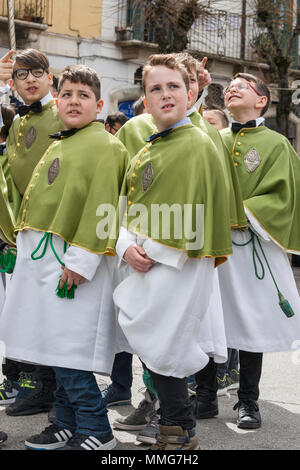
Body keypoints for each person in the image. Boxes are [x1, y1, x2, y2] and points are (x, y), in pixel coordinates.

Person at [113, 52, 246, 442]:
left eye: (174, 86)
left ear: (190, 94)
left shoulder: (198, 144)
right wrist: (124, 246)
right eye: (156, 88)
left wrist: (152, 252)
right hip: (142, 265)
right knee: (154, 351)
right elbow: (124, 207)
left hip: (177, 267)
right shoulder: (150, 146)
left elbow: (200, 213)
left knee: (168, 349)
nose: (166, 95)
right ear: (145, 99)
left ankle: (180, 432)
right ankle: (173, 430)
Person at [0, 64, 129, 450]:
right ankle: (65, 422)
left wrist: (82, 260)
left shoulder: (106, 145)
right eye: (68, 95)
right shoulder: (60, 141)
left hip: (73, 264)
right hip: (44, 260)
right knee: (53, 348)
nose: (74, 101)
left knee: (69, 350)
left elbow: (103, 206)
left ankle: (96, 428)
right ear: (58, 101)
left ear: (99, 104)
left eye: (83, 96)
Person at [196, 72, 300, 430]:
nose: (232, 88)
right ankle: (206, 396)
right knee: (209, 317)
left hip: (255, 242)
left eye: (243, 85)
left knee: (252, 321)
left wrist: (244, 212)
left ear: (262, 101)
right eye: (229, 86)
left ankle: (248, 401)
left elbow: (285, 194)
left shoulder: (277, 143)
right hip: (213, 242)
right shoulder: (211, 137)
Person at [0, 48, 61, 417]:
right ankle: (39, 385)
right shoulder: (18, 123)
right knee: (31, 311)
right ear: (13, 83)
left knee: (53, 312)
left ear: (50, 77)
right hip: (23, 231)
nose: (31, 79)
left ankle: (57, 392)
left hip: (54, 229)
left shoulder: (64, 114)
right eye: (22, 74)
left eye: (38, 71)